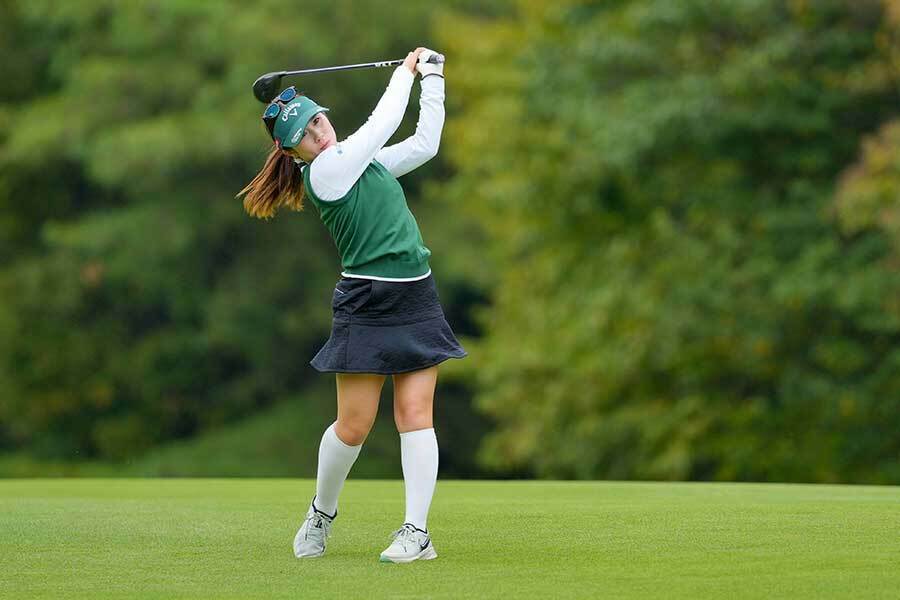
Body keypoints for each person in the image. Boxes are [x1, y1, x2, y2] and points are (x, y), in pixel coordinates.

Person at [237, 47, 466, 563]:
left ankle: (416, 532)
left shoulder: (366, 164)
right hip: (366, 302)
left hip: (416, 295)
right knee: (354, 425)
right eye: (306, 136)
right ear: (294, 153)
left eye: (318, 121)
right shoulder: (325, 174)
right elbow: (381, 125)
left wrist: (434, 80)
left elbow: (424, 145)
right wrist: (406, 73)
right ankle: (321, 512)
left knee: (416, 414)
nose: (320, 133)